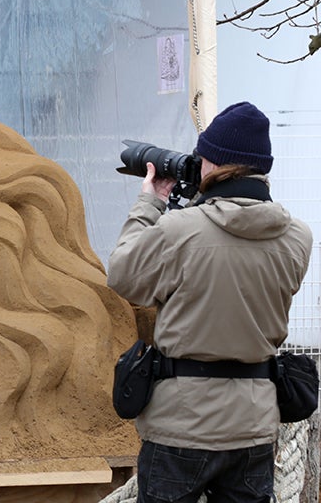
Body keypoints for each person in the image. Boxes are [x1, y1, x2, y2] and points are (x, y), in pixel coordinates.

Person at [108, 101, 312, 503]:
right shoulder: (297, 238)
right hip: (253, 427)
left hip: (180, 427)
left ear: (214, 164)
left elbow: (123, 275)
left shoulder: (179, 230)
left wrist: (150, 204)